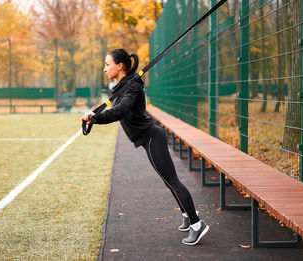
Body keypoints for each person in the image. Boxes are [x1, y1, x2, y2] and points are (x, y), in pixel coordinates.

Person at [81, 48, 209, 245]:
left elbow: (121, 110)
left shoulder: (132, 87)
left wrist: (96, 118)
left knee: (173, 181)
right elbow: (115, 109)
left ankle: (197, 224)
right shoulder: (124, 86)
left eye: (107, 64)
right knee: (169, 182)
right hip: (148, 139)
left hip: (152, 138)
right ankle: (187, 215)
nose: (105, 69)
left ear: (120, 66)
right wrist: (95, 117)